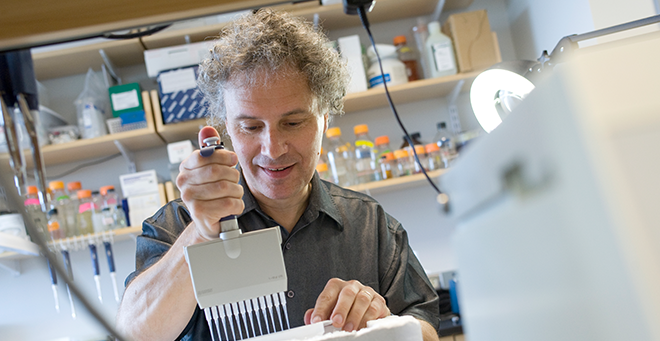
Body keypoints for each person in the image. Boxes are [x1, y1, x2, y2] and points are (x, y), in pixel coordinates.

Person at [116, 9, 440, 341]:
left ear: (324, 119)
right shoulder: (176, 226)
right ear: (226, 129)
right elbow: (133, 333)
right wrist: (199, 236)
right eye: (251, 127)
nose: (273, 148)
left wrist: (385, 322)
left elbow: (427, 327)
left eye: (294, 122)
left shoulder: (371, 226)